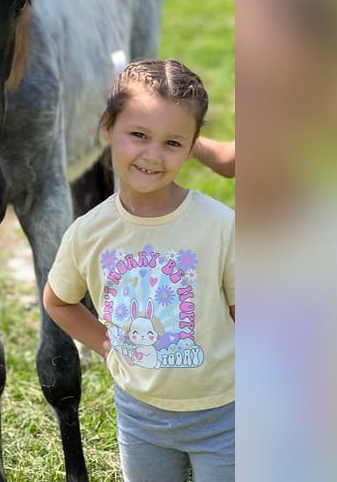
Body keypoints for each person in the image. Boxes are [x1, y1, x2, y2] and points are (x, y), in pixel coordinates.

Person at [43, 59, 235, 482]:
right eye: (138, 135)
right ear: (107, 128)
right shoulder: (88, 233)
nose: (152, 155)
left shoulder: (221, 226)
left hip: (226, 417)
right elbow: (59, 300)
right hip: (140, 417)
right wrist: (107, 344)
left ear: (192, 147)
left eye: (172, 142)